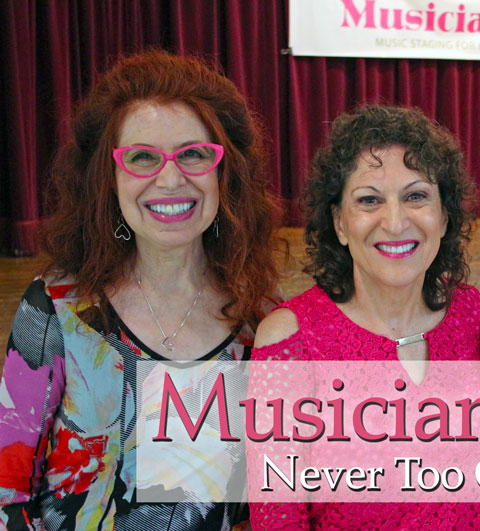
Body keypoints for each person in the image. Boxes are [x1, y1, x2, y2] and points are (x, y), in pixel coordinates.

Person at [0, 50, 282, 530]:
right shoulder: (56, 308)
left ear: (224, 172)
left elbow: (258, 501)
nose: (170, 178)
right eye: (142, 157)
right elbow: (7, 492)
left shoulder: (259, 323)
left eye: (194, 154)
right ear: (107, 179)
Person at [248, 105, 480, 529]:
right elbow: (278, 517)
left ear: (444, 217)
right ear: (340, 224)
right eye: (369, 200)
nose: (395, 222)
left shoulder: (471, 312)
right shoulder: (291, 339)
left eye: (416, 196)